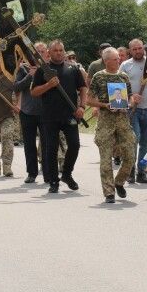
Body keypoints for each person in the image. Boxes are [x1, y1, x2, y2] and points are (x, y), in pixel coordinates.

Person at [31, 40, 87, 194]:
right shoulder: (43, 70)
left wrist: (82, 106)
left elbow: (83, 88)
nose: (59, 53)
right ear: (49, 53)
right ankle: (53, 180)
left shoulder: (73, 68)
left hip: (70, 114)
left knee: (74, 145)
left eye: (61, 50)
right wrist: (48, 85)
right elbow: (34, 92)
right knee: (51, 149)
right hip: (49, 116)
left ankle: (67, 174)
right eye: (55, 50)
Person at [87, 47, 141, 203]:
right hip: (105, 121)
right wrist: (104, 106)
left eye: (119, 58)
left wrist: (131, 103)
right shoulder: (98, 77)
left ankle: (119, 182)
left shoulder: (123, 76)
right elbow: (89, 100)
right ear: (106, 61)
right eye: (115, 59)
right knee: (105, 159)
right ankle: (109, 192)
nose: (119, 61)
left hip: (122, 120)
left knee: (130, 155)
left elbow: (130, 97)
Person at [120, 38, 147, 184]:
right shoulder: (125, 65)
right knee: (133, 139)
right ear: (130, 51)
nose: (138, 51)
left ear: (143, 48)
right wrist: (130, 98)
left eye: (140, 48)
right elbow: (119, 86)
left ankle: (141, 171)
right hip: (132, 109)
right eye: (134, 49)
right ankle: (130, 171)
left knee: (146, 141)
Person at [15, 42, 45, 183]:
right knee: (29, 144)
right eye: (36, 51)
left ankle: (47, 170)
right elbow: (16, 86)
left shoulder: (49, 67)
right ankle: (31, 172)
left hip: (46, 111)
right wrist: (29, 76)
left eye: (42, 51)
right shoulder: (23, 68)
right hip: (27, 111)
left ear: (46, 53)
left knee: (47, 143)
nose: (39, 53)